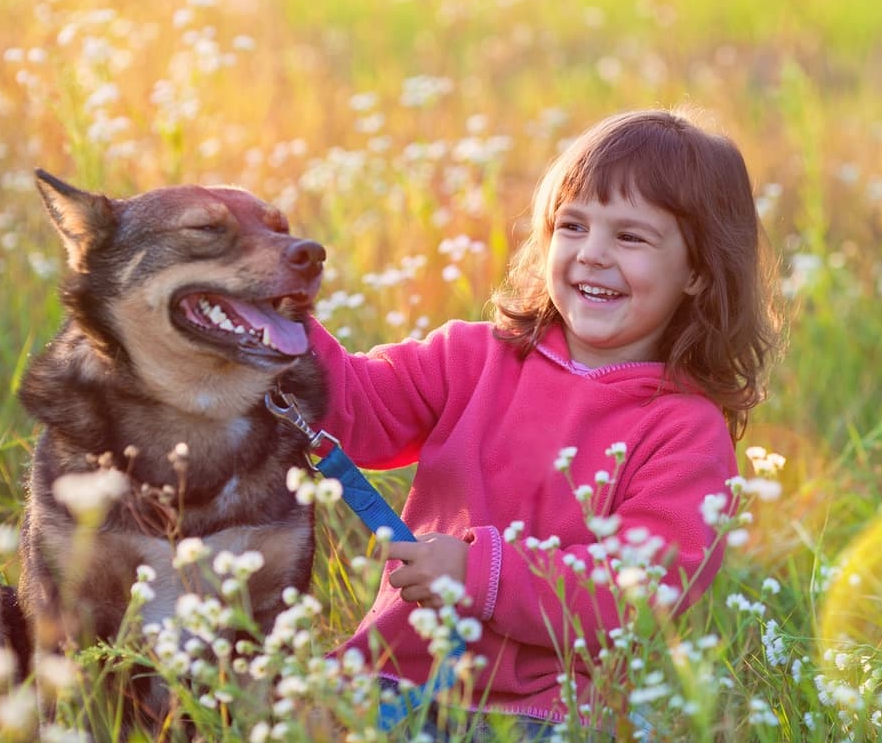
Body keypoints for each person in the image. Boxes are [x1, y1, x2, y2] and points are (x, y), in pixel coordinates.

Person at [306, 108, 780, 737]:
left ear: (697, 270)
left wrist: (482, 575)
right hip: (394, 677)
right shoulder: (471, 357)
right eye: (573, 225)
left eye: (631, 237)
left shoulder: (685, 429)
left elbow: (643, 593)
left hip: (545, 712)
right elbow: (357, 410)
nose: (592, 254)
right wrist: (278, 323)